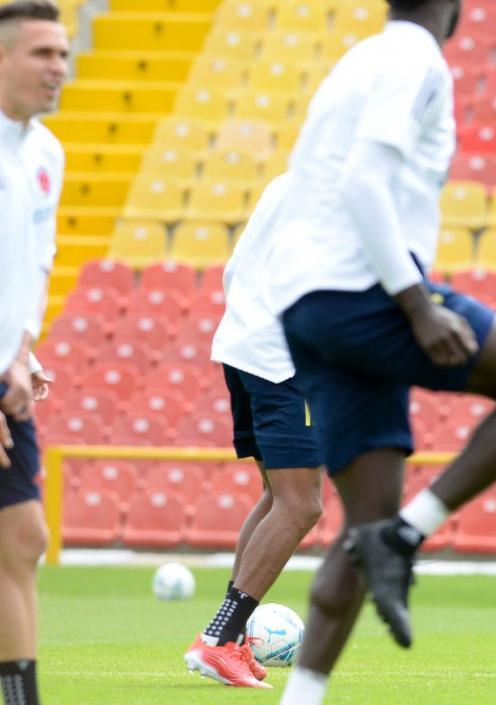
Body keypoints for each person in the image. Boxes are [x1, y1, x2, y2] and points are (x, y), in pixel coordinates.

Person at [262, 2, 496, 703]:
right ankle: (409, 535)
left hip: (306, 305)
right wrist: (415, 304)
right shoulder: (415, 58)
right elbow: (362, 181)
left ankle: (304, 692)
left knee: (363, 530)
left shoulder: (358, 60)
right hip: (362, 291)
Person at [182, 173, 324, 689]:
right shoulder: (348, 188)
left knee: (276, 495)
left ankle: (233, 636)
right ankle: (220, 638)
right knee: (302, 504)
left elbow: (235, 268)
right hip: (286, 359)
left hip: (243, 344)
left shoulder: (289, 181)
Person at [0, 2, 65, 703]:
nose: (59, 68)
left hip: (6, 375)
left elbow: (31, 265)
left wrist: (21, 352)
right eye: (43, 53)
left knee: (21, 537)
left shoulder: (45, 152)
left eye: (65, 55)